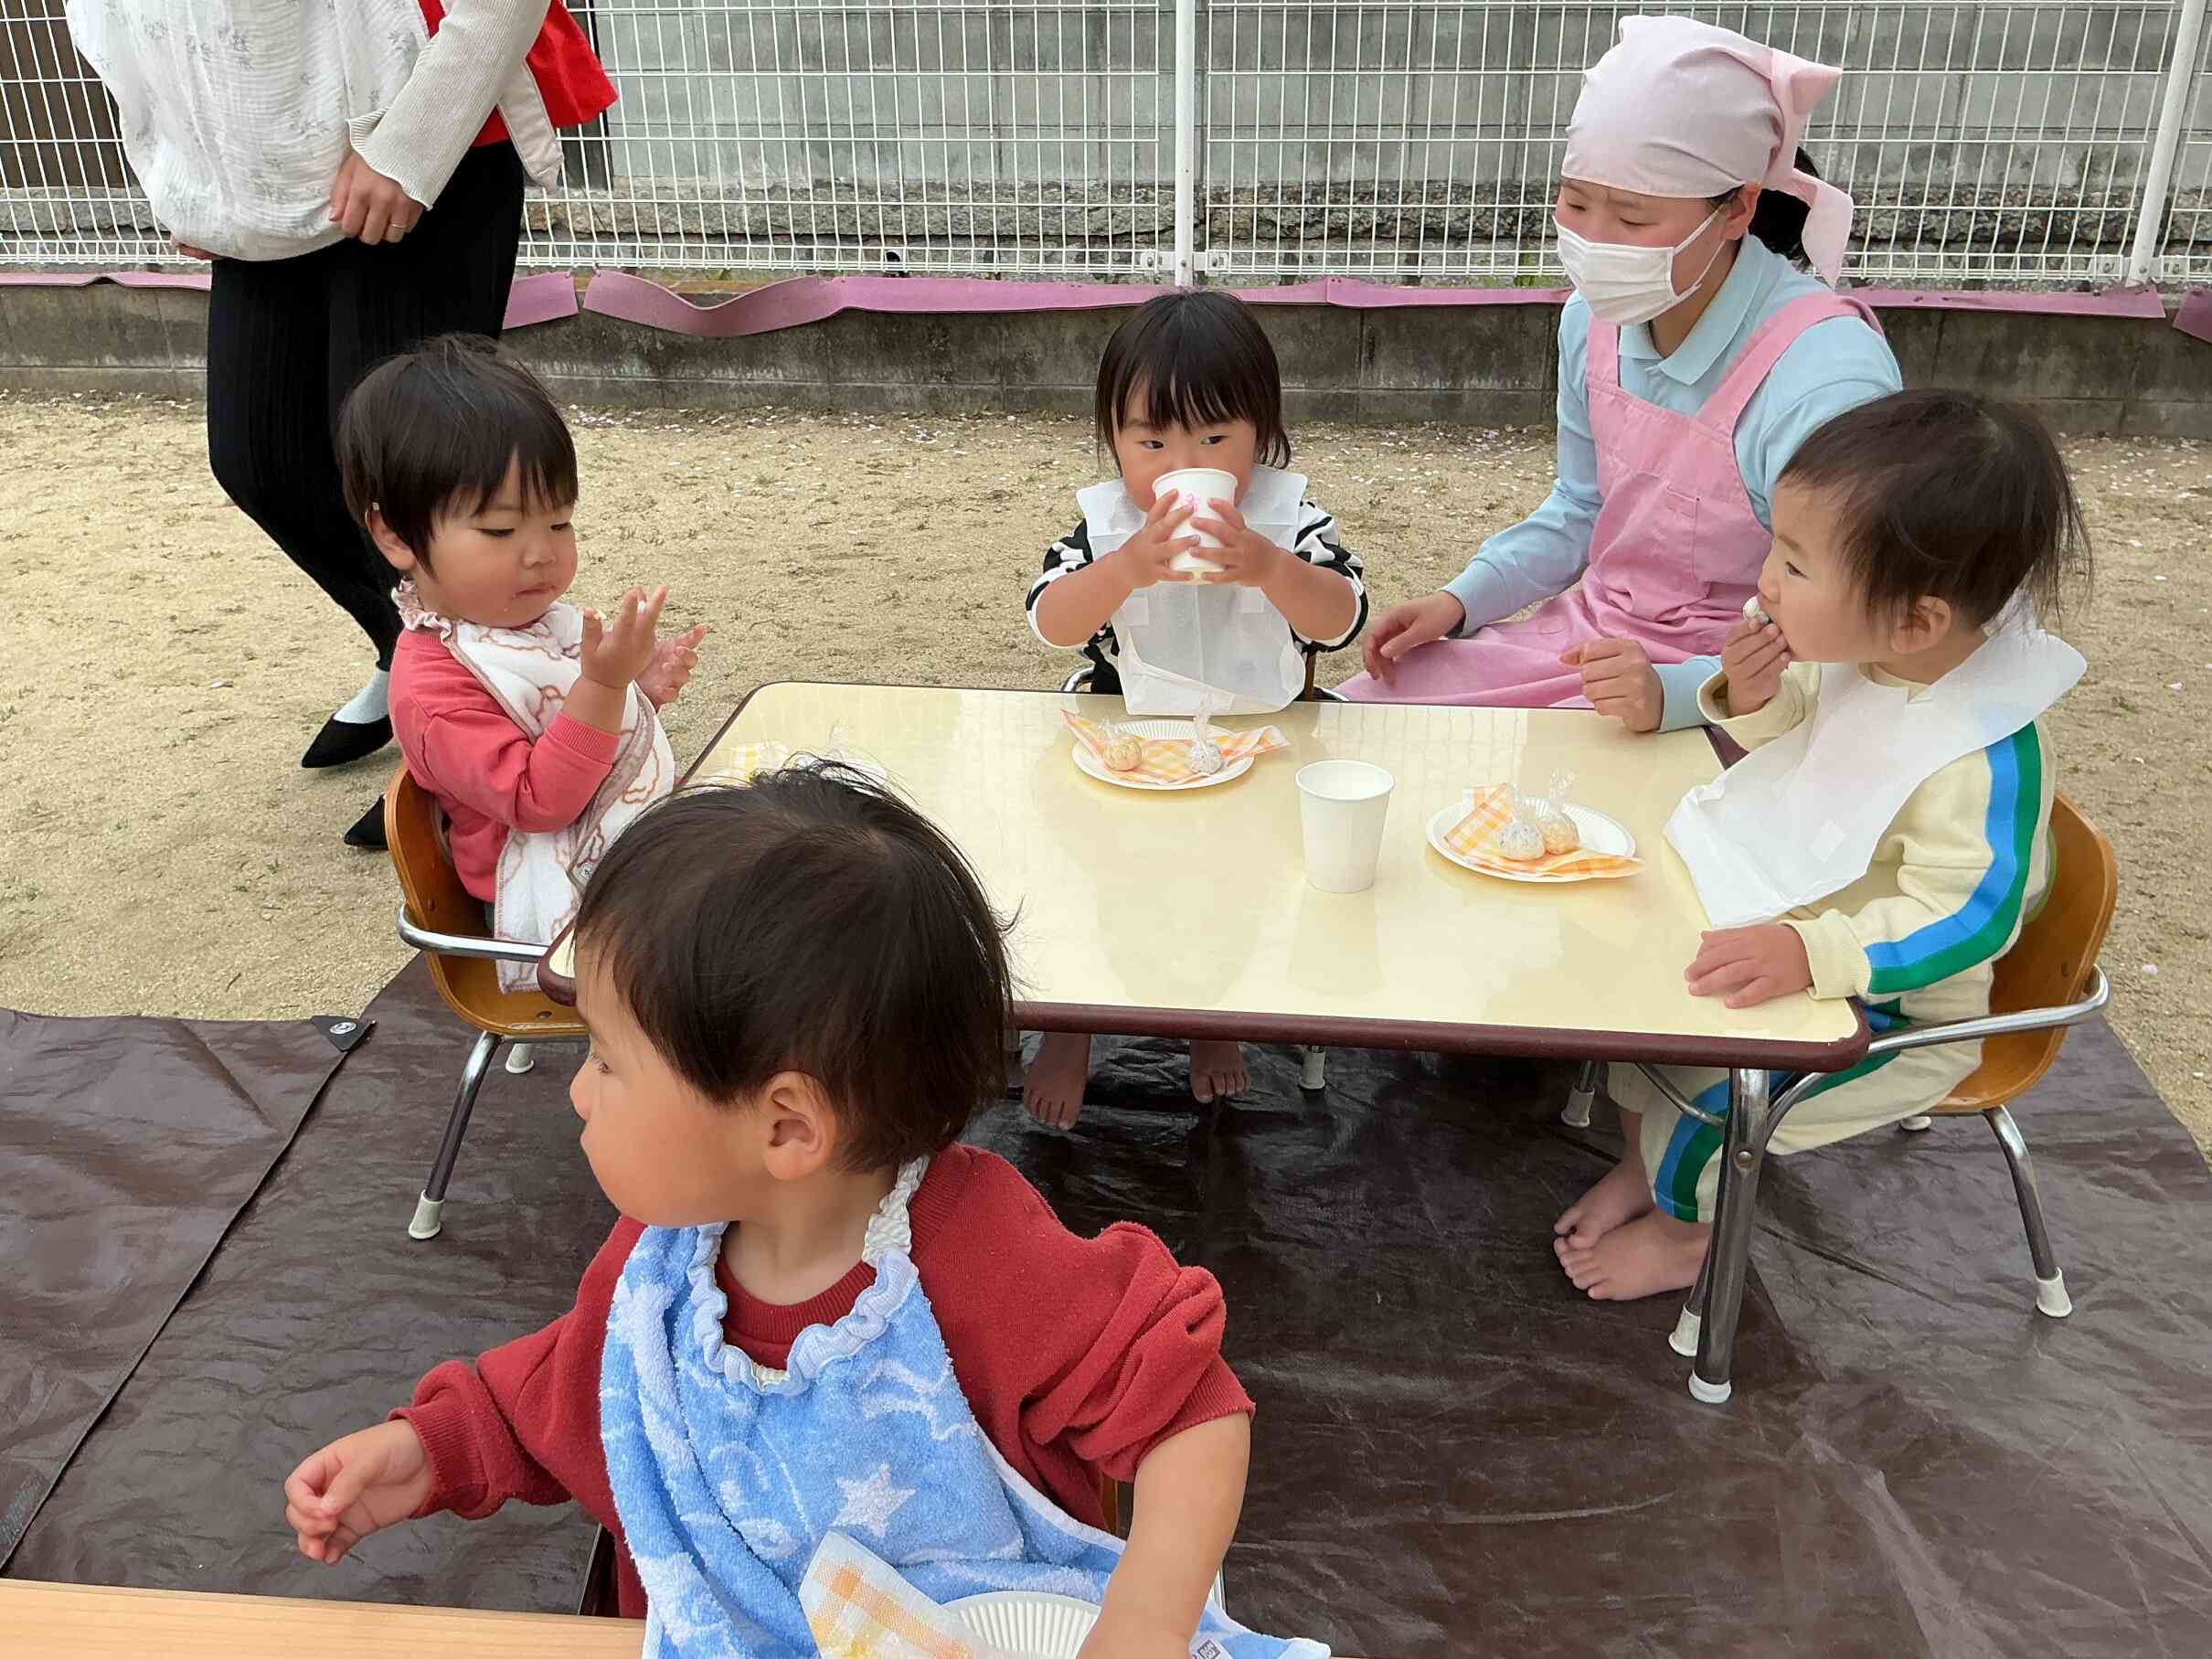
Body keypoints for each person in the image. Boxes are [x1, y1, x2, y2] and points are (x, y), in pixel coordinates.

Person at [280, 772, 1323, 1659]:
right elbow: (568, 1386)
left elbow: (1192, 1414)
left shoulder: (976, 1254)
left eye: (606, 1059)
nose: (578, 1092)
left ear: (787, 1128)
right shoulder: (660, 1272)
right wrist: (427, 1453)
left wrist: (1141, 1621)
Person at [1552, 390, 2090, 1302]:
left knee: (1711, 1104)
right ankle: (1649, 1170)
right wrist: (1759, 698)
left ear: (1913, 619)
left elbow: (1968, 915)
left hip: (1898, 1013)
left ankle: (1690, 1231)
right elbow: (1812, 750)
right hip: (1795, 933)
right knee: (1632, 1017)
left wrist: (1815, 949)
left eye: (1794, 566)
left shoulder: (1983, 754)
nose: (1764, 582)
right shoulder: (1871, 651)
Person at [66, 0, 616, 848]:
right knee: (263, 459)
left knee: (421, 478)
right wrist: (197, 175)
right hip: (264, 161)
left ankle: (493, 716)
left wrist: (411, 144)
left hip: (421, 126)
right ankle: (427, 662)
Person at [1341, 16, 1899, 729]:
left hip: (1754, 691)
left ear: (1738, 209)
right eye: (1575, 202)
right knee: (1366, 722)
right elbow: (1581, 507)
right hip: (1591, 646)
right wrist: (1462, 600)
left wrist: (1679, 692)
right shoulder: (1591, 319)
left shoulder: (1825, 380)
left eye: (1634, 220)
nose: (1594, 241)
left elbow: (1850, 626)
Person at [1025, 290, 1368, 1122]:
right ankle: (1071, 1027)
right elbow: (1048, 619)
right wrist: (1126, 569)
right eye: (1151, 442)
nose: (1181, 461)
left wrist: (1267, 565)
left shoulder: (1288, 521)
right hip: (1127, 739)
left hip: (1258, 745)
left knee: (1242, 892)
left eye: (1215, 438)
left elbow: (1344, 614)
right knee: (1101, 889)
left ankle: (1212, 1020)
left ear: (1264, 433)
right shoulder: (1104, 530)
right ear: (1113, 443)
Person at [337, 336, 705, 980]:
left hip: (611, 860)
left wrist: (636, 685)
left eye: (559, 523)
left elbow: (565, 714)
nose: (540, 553)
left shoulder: (517, 621)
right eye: (502, 531)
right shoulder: (433, 687)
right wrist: (602, 683)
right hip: (550, 905)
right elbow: (540, 800)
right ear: (395, 534)